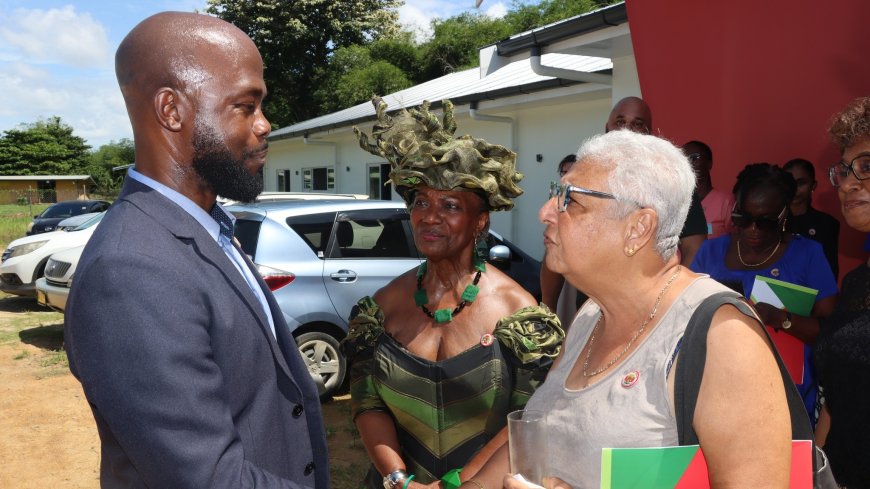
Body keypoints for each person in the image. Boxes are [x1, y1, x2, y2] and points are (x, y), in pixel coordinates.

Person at [64, 12, 328, 489]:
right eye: (246, 106)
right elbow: (207, 478)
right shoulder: (132, 270)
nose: (266, 125)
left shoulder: (211, 229)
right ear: (172, 110)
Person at [466, 130, 793, 489]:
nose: (546, 212)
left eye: (570, 200)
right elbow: (534, 436)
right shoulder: (591, 314)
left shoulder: (722, 334)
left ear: (638, 228)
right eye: (554, 194)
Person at [344, 98, 564, 489]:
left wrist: (457, 483)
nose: (430, 216)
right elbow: (367, 403)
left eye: (449, 205)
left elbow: (529, 417)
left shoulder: (521, 316)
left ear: (481, 221)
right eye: (421, 203)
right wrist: (399, 480)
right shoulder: (379, 310)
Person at [690, 162, 837, 423]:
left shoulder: (808, 255)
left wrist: (780, 319)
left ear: (784, 215)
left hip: (785, 397)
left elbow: (830, 331)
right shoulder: (710, 252)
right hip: (717, 390)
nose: (752, 230)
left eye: (765, 222)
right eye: (743, 219)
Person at [541, 97, 707, 316]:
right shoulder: (583, 181)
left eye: (638, 124)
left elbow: (694, 248)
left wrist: (670, 299)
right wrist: (547, 308)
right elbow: (556, 242)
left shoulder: (668, 186)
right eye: (620, 121)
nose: (627, 130)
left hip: (645, 312)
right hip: (589, 311)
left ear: (649, 134)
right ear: (607, 128)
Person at [814, 96, 870, 488]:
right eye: (843, 171)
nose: (847, 183)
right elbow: (835, 398)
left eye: (866, 167)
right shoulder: (854, 284)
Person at [783, 158, 841, 277]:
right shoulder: (770, 221)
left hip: (810, 292)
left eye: (801, 183)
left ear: (813, 185)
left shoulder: (827, 224)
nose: (794, 190)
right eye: (788, 183)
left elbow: (829, 272)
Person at [682, 140, 735, 239]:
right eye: (684, 159)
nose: (689, 163)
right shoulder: (676, 202)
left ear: (709, 163)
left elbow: (736, 239)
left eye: (695, 157)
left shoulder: (726, 201)